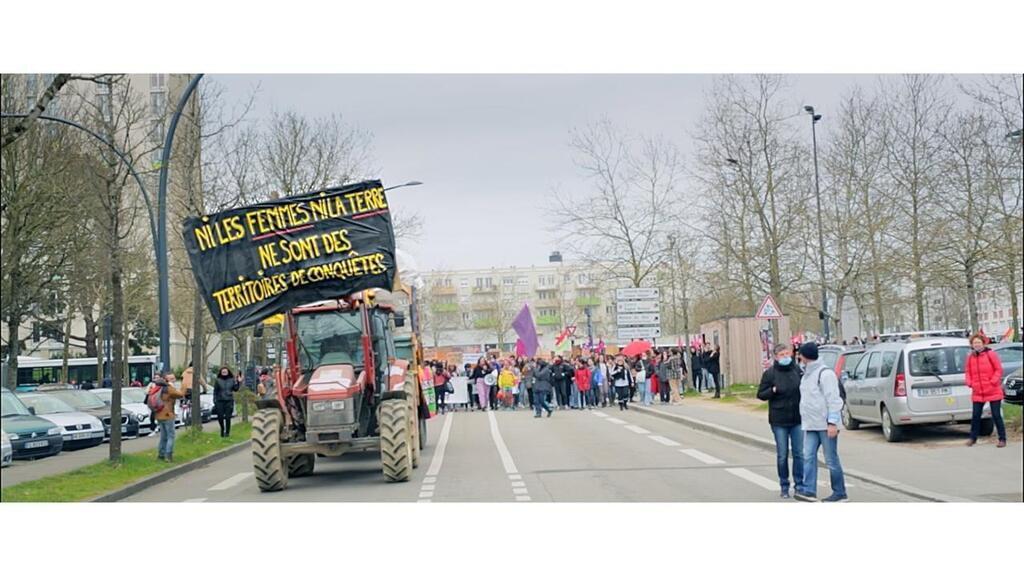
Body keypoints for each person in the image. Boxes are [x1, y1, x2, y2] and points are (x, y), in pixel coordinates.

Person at [794, 342, 847, 503]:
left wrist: (832, 422)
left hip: (825, 424)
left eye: (800, 355)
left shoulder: (825, 374)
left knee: (830, 459)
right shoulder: (807, 374)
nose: (798, 357)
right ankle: (809, 490)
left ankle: (840, 492)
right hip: (811, 424)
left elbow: (834, 400)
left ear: (804, 356)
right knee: (808, 456)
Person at [757, 343, 805, 499]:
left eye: (787, 354)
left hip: (797, 418)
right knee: (782, 454)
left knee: (798, 453)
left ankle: (800, 484)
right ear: (776, 357)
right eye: (782, 355)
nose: (786, 357)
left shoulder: (797, 370)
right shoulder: (770, 374)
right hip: (779, 419)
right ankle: (784, 484)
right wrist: (772, 391)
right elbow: (761, 394)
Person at [964, 333, 1007, 448]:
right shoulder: (970, 357)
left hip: (993, 390)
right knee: (976, 415)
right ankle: (973, 438)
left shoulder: (991, 354)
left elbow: (998, 369)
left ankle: (1002, 439)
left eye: (978, 342)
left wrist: (993, 381)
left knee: (996, 415)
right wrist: (970, 382)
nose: (977, 345)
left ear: (983, 343)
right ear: (972, 345)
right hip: (978, 391)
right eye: (974, 343)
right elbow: (967, 371)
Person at [154, 372, 185, 461]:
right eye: (171, 379)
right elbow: (180, 394)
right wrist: (185, 385)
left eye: (174, 378)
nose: (173, 380)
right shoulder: (169, 388)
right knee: (171, 436)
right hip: (168, 414)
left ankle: (161, 455)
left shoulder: (158, 387)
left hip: (159, 414)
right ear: (166, 379)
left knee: (163, 436)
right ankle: (168, 455)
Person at [213, 366, 239, 437]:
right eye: (223, 372)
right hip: (219, 400)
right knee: (220, 417)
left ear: (228, 372)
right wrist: (214, 400)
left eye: (225, 372)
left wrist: (239, 382)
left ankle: (227, 432)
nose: (224, 373)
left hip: (229, 400)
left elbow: (235, 389)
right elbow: (215, 391)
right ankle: (222, 429)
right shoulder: (218, 380)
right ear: (221, 373)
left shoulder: (232, 380)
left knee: (228, 417)